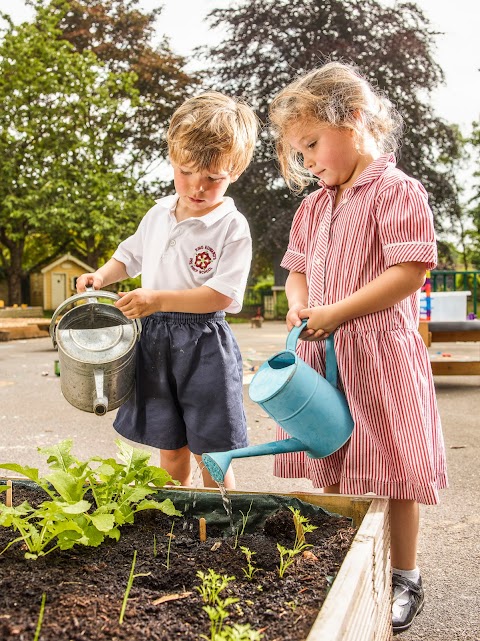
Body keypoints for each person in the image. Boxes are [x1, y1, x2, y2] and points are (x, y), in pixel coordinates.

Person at [268, 61, 447, 633]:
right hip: (321, 352)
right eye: (300, 153)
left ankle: (404, 576)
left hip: (380, 354)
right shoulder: (314, 206)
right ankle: (341, 567)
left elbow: (409, 271)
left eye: (313, 144)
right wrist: (300, 303)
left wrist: (338, 312)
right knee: (332, 456)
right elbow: (295, 272)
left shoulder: (397, 191)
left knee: (393, 462)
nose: (309, 161)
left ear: (353, 120)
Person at [76, 92, 258, 490]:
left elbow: (221, 296)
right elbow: (129, 256)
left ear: (235, 172)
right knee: (169, 445)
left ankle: (222, 528)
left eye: (213, 178)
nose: (197, 186)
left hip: (204, 343)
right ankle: (174, 524)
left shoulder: (231, 226)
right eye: (186, 171)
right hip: (154, 338)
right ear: (173, 160)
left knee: (213, 448)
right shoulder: (158, 213)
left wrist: (156, 299)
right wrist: (103, 276)